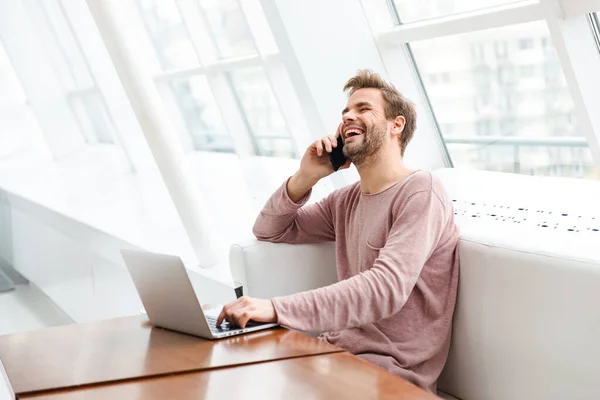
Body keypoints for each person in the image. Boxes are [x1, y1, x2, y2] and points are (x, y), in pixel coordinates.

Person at [217, 69, 459, 393]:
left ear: (396, 125)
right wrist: (305, 177)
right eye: (345, 112)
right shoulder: (346, 200)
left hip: (389, 375)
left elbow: (385, 288)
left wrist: (275, 308)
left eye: (363, 109)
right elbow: (269, 229)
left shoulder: (421, 191)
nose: (348, 117)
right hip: (333, 356)